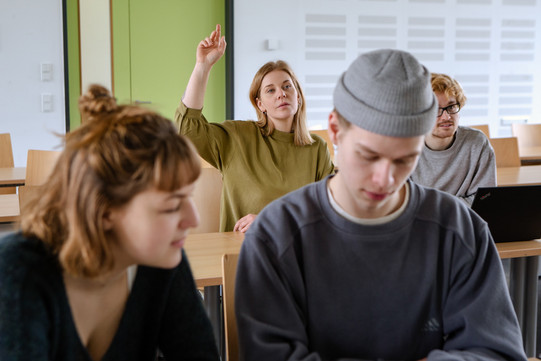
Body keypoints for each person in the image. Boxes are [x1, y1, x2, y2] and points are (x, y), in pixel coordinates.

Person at [235, 50, 526, 361]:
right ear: (334, 130)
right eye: (369, 155)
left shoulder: (460, 229)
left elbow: (497, 352)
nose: (385, 180)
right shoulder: (275, 235)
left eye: (405, 159)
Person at [0, 85, 219, 361]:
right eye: (172, 206)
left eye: (188, 197)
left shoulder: (162, 257)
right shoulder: (20, 272)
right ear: (104, 212)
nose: (194, 219)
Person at [175, 24, 334, 232]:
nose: (281, 94)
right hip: (243, 252)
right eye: (270, 90)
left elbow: (331, 210)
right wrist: (202, 67)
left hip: (298, 251)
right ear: (260, 104)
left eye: (287, 86)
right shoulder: (237, 137)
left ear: (298, 96)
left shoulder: (317, 149)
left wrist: (272, 220)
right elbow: (187, 129)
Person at [410, 73, 496, 206]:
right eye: (436, 109)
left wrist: (430, 205)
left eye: (451, 107)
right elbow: (401, 203)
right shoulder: (403, 145)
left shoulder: (477, 143)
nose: (446, 117)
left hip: (465, 222)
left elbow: (485, 200)